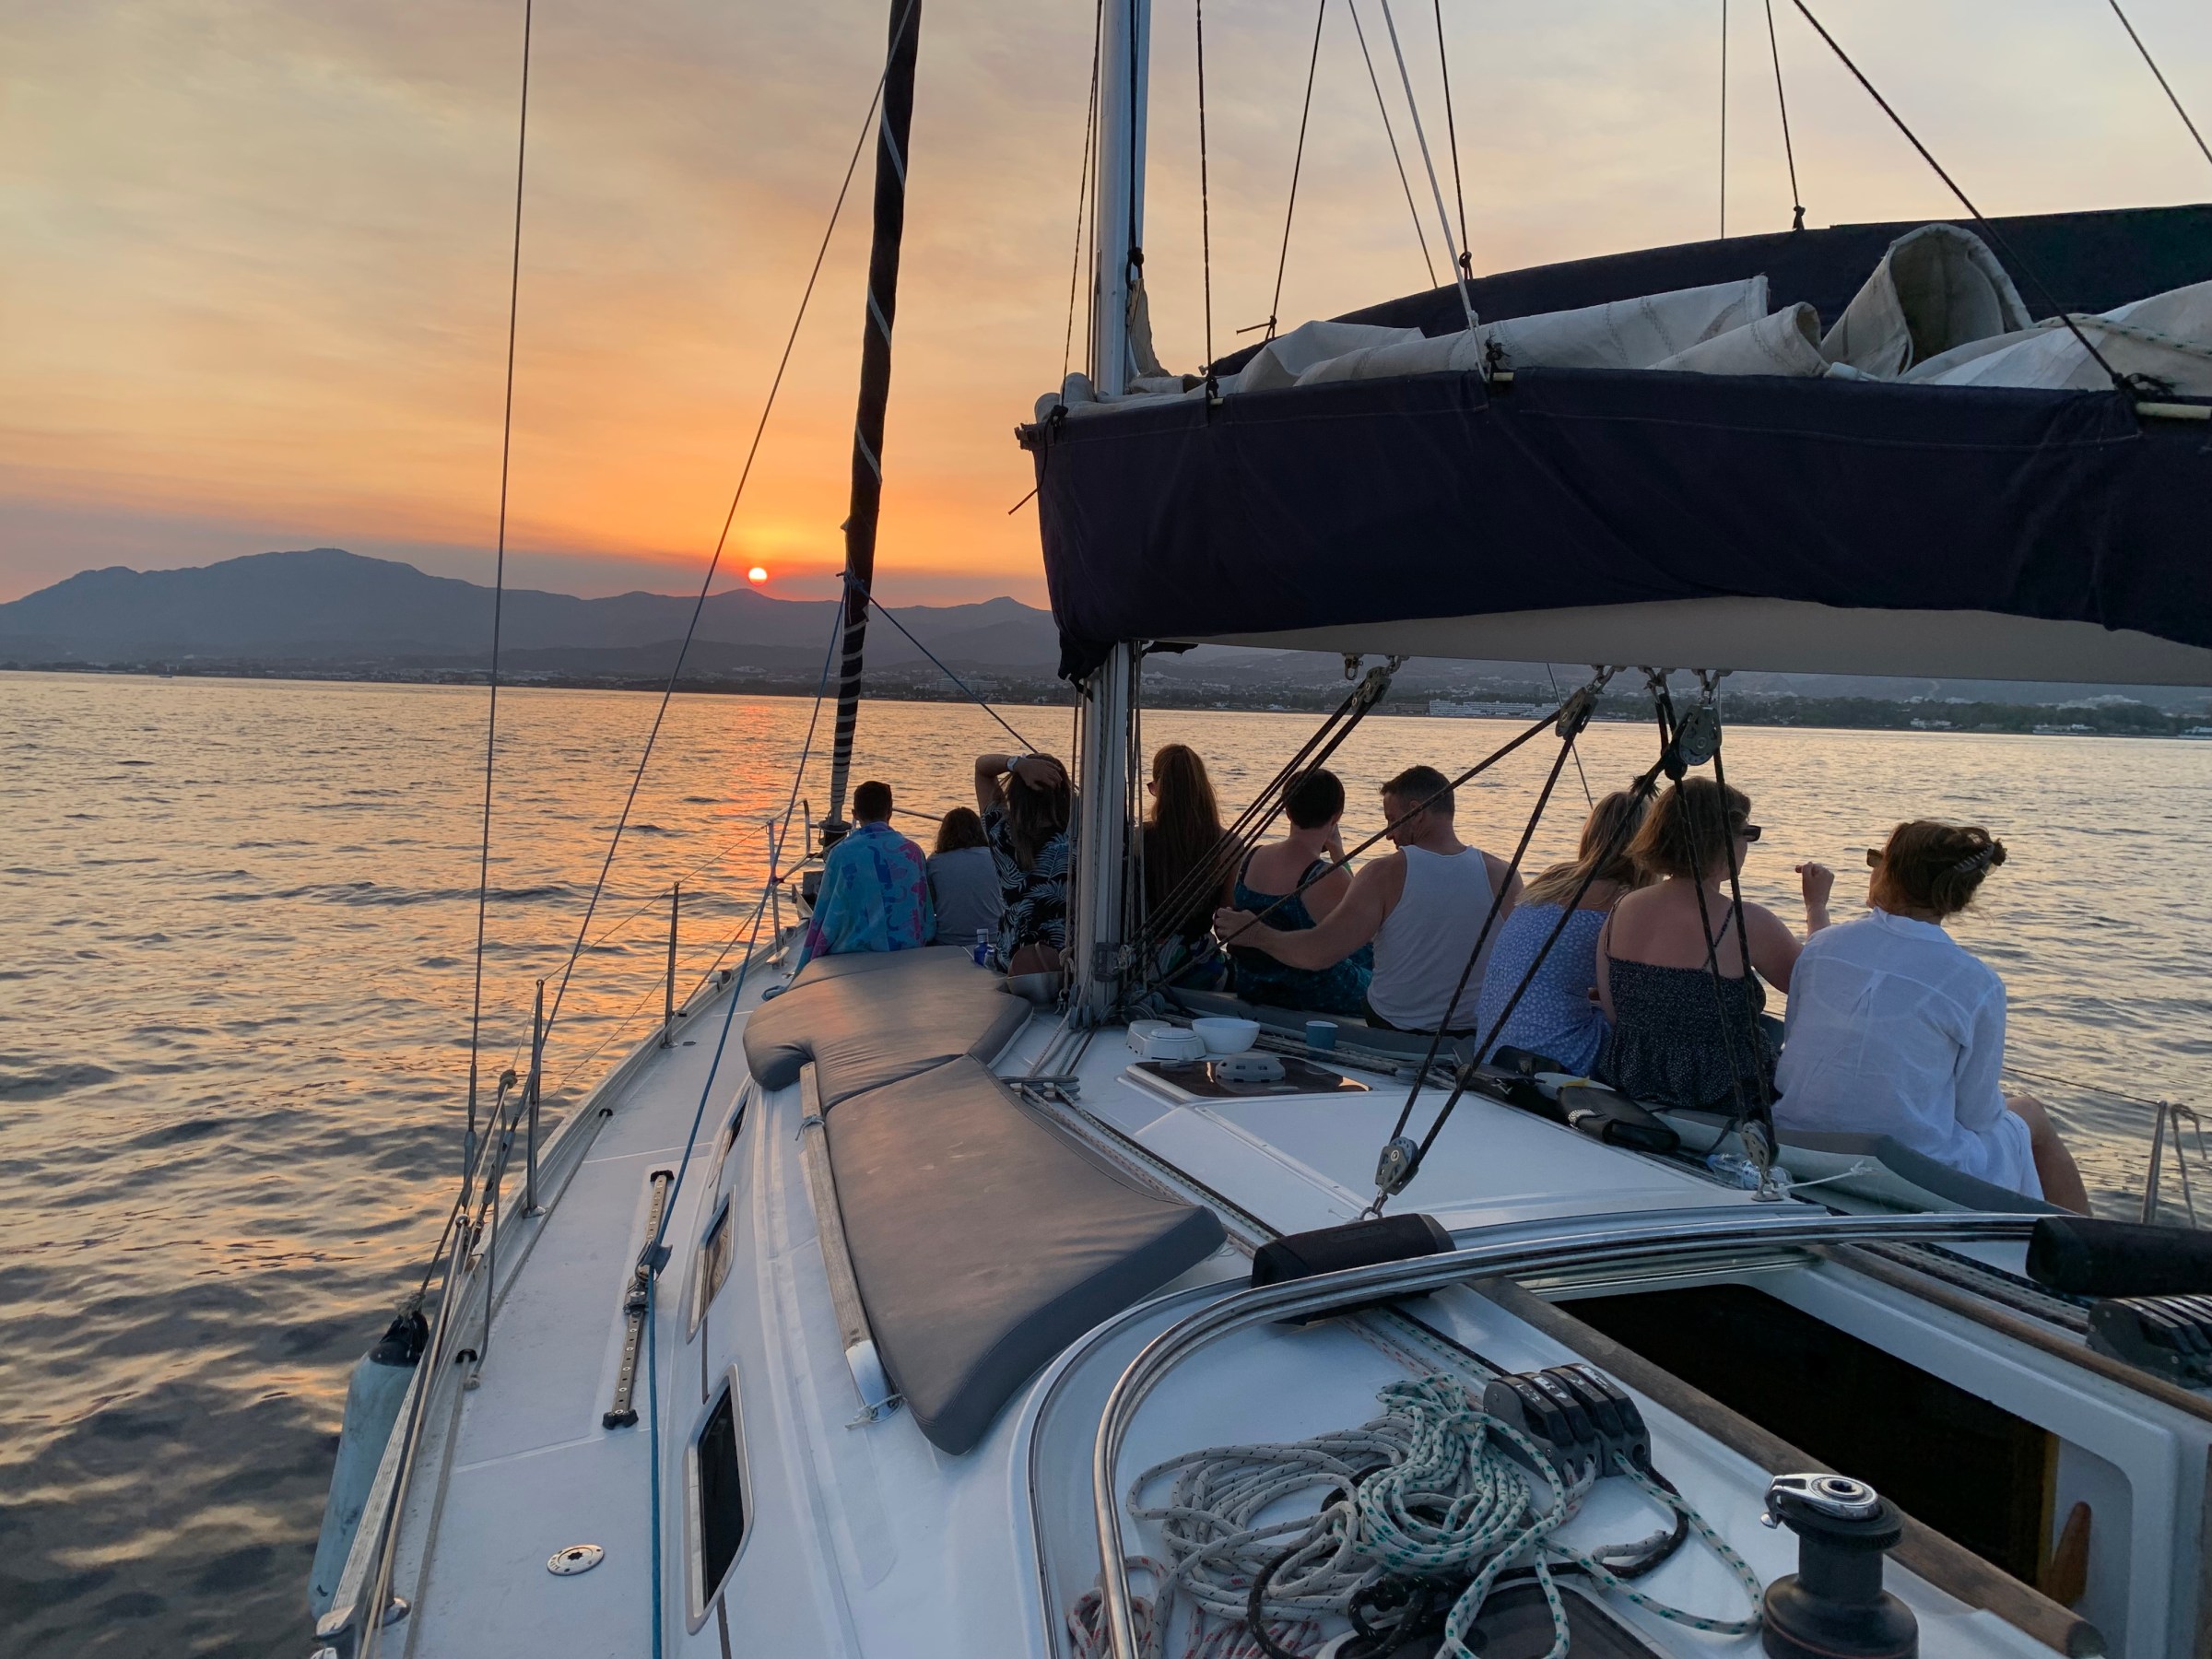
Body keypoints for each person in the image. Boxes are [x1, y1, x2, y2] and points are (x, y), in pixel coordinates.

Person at [1774, 821, 2088, 1212]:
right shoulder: (1976, 982)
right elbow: (1977, 1114)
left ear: (1888, 874)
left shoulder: (1822, 947)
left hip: (1798, 1137)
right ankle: (2085, 1246)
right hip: (1904, 1165)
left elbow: (1794, 1060)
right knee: (2031, 1114)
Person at [1215, 764, 1521, 1035]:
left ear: (1418, 813)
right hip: (1472, 1031)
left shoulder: (1383, 873)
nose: (1388, 834)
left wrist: (1256, 933)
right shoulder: (1505, 875)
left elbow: (1318, 954)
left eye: (1392, 820)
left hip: (1395, 1026)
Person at [1597, 778, 1831, 1112]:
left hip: (1630, 1081)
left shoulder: (1622, 908)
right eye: (1748, 834)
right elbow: (1823, 988)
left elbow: (1612, 1009)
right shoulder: (1743, 922)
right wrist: (1816, 907)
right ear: (1721, 843)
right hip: (1723, 1096)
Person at [1473, 788, 1652, 1076]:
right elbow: (1628, 1006)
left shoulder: (1553, 881)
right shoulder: (1619, 903)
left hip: (1494, 1049)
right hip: (1549, 1061)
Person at [1227, 767, 1372, 1017]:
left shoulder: (1250, 858)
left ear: (1287, 810)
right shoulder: (1326, 877)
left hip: (1255, 984)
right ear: (1336, 815)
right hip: (1311, 993)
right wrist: (1338, 853)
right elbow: (1367, 936)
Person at [793, 779, 934, 971]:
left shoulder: (841, 854)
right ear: (889, 812)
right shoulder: (913, 852)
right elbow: (925, 915)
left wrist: (808, 963)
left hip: (852, 955)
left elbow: (825, 912)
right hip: (906, 952)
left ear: (855, 814)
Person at [973, 749, 1074, 974]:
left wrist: (1016, 764)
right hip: (1068, 966)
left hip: (1013, 963)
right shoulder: (1080, 843)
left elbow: (982, 768)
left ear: (1017, 795)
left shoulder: (1002, 834)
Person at [1143, 744, 1232, 985]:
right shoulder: (1230, 843)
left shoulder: (1137, 839)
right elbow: (1226, 924)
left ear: (1159, 790)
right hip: (1198, 966)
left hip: (1142, 962)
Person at [927, 806, 1004, 952]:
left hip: (948, 940)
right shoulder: (995, 857)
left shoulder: (935, 862)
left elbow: (929, 903)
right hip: (993, 937)